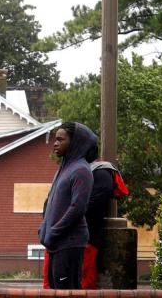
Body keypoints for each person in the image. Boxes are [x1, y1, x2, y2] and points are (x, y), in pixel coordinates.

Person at [42, 143, 129, 289]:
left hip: (81, 241)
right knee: (52, 287)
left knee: (80, 288)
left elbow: (85, 207)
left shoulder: (100, 172)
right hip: (57, 239)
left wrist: (57, 223)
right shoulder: (66, 172)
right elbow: (49, 204)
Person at [38, 122, 95, 289]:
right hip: (56, 243)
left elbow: (78, 207)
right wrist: (44, 228)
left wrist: (54, 231)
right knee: (55, 296)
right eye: (55, 139)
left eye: (60, 140)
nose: (55, 143)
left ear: (75, 142)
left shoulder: (81, 170)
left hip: (70, 243)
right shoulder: (63, 170)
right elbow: (51, 202)